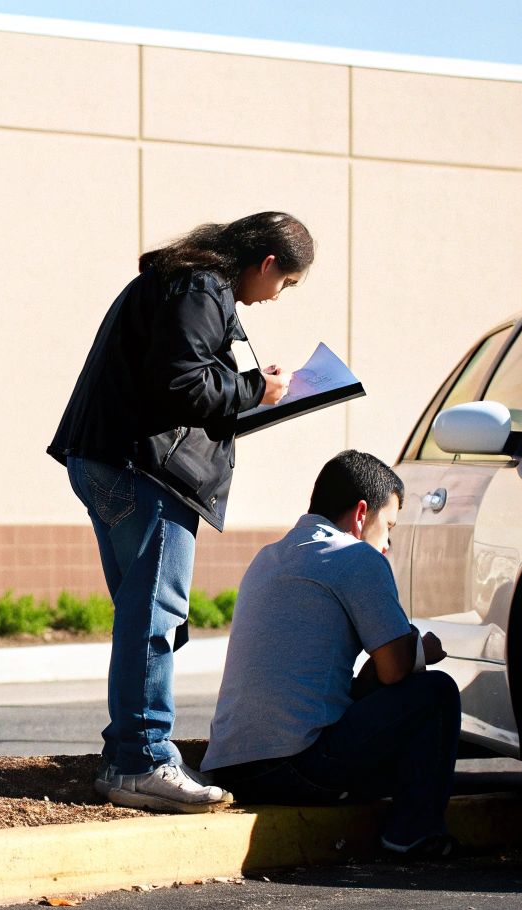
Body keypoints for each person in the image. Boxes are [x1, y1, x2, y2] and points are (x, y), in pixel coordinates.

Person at [47, 213, 312, 812]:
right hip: (147, 470)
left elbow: (174, 374)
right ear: (267, 263)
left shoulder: (180, 280)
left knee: (143, 616)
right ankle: (143, 760)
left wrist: (246, 384)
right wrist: (257, 391)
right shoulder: (202, 288)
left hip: (109, 459)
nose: (276, 296)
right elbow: (181, 385)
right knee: (155, 619)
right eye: (285, 284)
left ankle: (128, 756)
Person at [201, 450, 463, 856]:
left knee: (370, 684)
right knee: (437, 693)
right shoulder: (355, 556)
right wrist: (421, 650)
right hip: (297, 767)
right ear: (362, 514)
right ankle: (414, 831)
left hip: (229, 768)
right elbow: (395, 669)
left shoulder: (267, 557)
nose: (388, 544)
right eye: (388, 526)